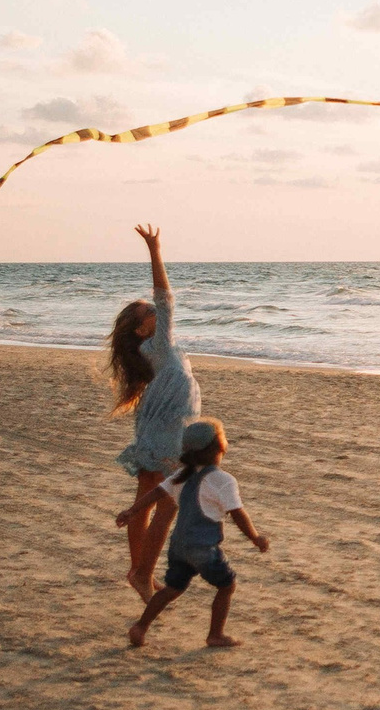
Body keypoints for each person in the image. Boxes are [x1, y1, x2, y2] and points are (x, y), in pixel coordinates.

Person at [106, 223, 201, 597]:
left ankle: (138, 572)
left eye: (152, 310)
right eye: (149, 312)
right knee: (166, 499)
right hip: (167, 430)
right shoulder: (157, 345)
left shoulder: (156, 348)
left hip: (164, 426)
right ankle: (142, 573)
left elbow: (161, 303)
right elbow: (165, 296)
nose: (156, 311)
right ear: (142, 330)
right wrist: (155, 250)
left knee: (150, 494)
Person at [119, 418, 268, 650]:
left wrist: (132, 511)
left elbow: (156, 492)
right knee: (227, 586)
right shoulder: (223, 481)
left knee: (172, 589)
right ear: (219, 448)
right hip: (203, 549)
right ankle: (215, 635)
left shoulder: (181, 476)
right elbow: (237, 514)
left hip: (178, 547)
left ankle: (140, 627)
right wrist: (255, 537)